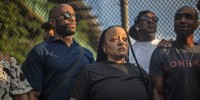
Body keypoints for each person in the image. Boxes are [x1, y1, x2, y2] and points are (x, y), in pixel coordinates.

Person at [22, 4, 95, 100]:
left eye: (74, 15)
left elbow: (94, 89)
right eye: (67, 15)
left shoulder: (87, 54)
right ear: (52, 22)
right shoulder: (39, 51)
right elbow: (33, 95)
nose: (72, 19)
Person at [70, 25, 151, 100]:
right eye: (114, 39)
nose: (121, 42)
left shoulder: (140, 72)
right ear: (105, 48)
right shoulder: (90, 71)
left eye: (125, 39)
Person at [149, 6, 200, 100]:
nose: (182, 20)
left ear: (197, 25)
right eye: (178, 17)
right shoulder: (162, 52)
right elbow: (157, 92)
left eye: (188, 17)